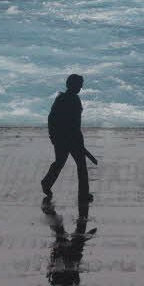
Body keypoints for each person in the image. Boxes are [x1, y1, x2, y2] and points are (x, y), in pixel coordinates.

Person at [41, 73, 92, 201]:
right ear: (72, 85)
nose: (80, 88)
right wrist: (53, 136)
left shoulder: (64, 98)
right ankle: (47, 183)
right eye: (79, 85)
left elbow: (52, 119)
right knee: (76, 166)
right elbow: (53, 119)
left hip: (65, 138)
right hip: (68, 139)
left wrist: (53, 136)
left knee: (65, 164)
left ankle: (47, 183)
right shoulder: (67, 100)